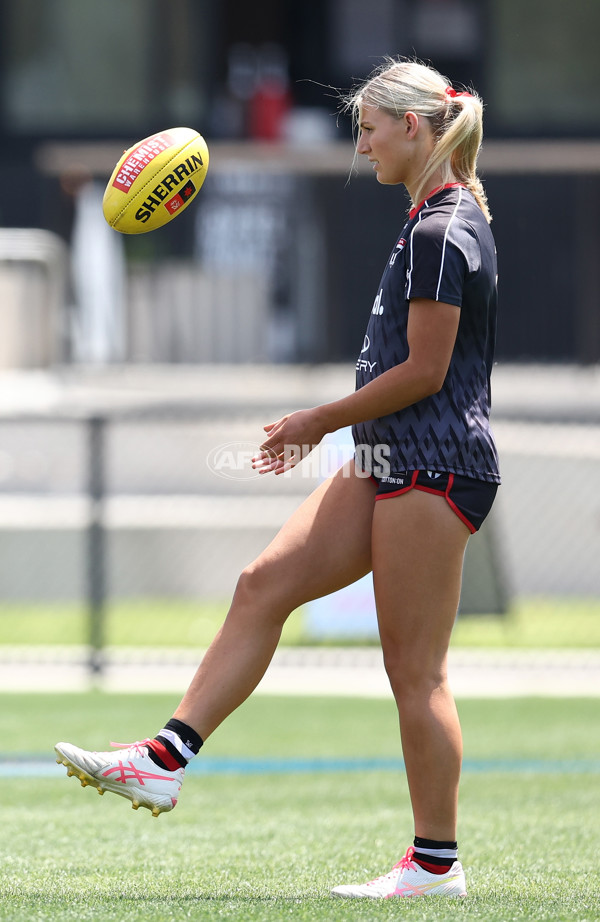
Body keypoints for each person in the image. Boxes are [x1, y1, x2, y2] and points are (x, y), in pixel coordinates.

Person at [55, 58, 500, 900]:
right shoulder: (426, 219)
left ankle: (436, 864)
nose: (360, 143)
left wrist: (315, 421)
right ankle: (161, 762)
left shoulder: (446, 227)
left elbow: (427, 371)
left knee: (416, 671)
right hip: (387, 458)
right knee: (262, 583)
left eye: (369, 127)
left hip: (434, 462)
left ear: (413, 127)